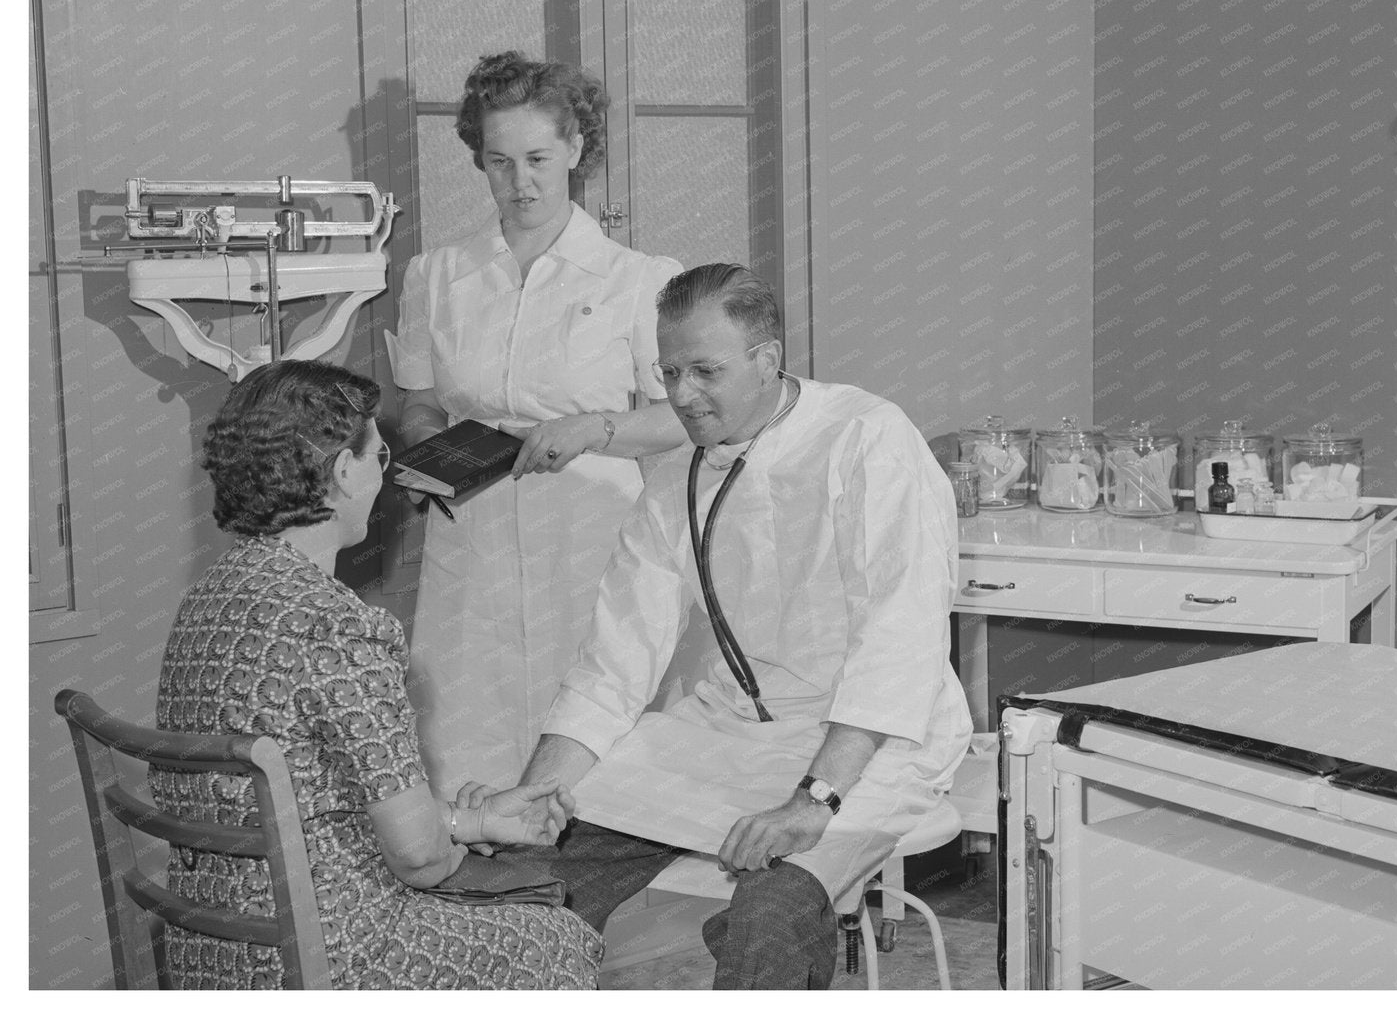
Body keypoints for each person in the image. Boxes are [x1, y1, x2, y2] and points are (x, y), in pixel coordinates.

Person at [500, 264, 973, 988]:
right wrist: (533, 796)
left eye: (705, 370)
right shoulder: (675, 477)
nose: (682, 395)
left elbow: (900, 639)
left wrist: (813, 801)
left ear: (768, 360)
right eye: (669, 372)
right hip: (725, 734)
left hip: (869, 741)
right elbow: (613, 662)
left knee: (769, 913)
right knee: (527, 874)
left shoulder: (867, 438)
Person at [151, 360, 603, 989]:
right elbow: (418, 859)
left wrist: (474, 820)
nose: (385, 474)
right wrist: (447, 844)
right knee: (559, 939)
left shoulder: (207, 602)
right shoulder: (339, 627)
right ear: (341, 472)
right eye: (380, 455)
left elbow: (316, 800)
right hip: (331, 953)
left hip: (211, 950)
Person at [386, 51, 686, 799]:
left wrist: (596, 428)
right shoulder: (438, 275)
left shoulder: (637, 279)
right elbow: (419, 400)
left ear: (577, 150)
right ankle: (479, 897)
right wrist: (429, 451)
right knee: (468, 735)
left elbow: (682, 418)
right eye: (498, 162)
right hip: (474, 533)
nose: (520, 183)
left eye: (538, 159)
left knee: (592, 732)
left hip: (592, 532)